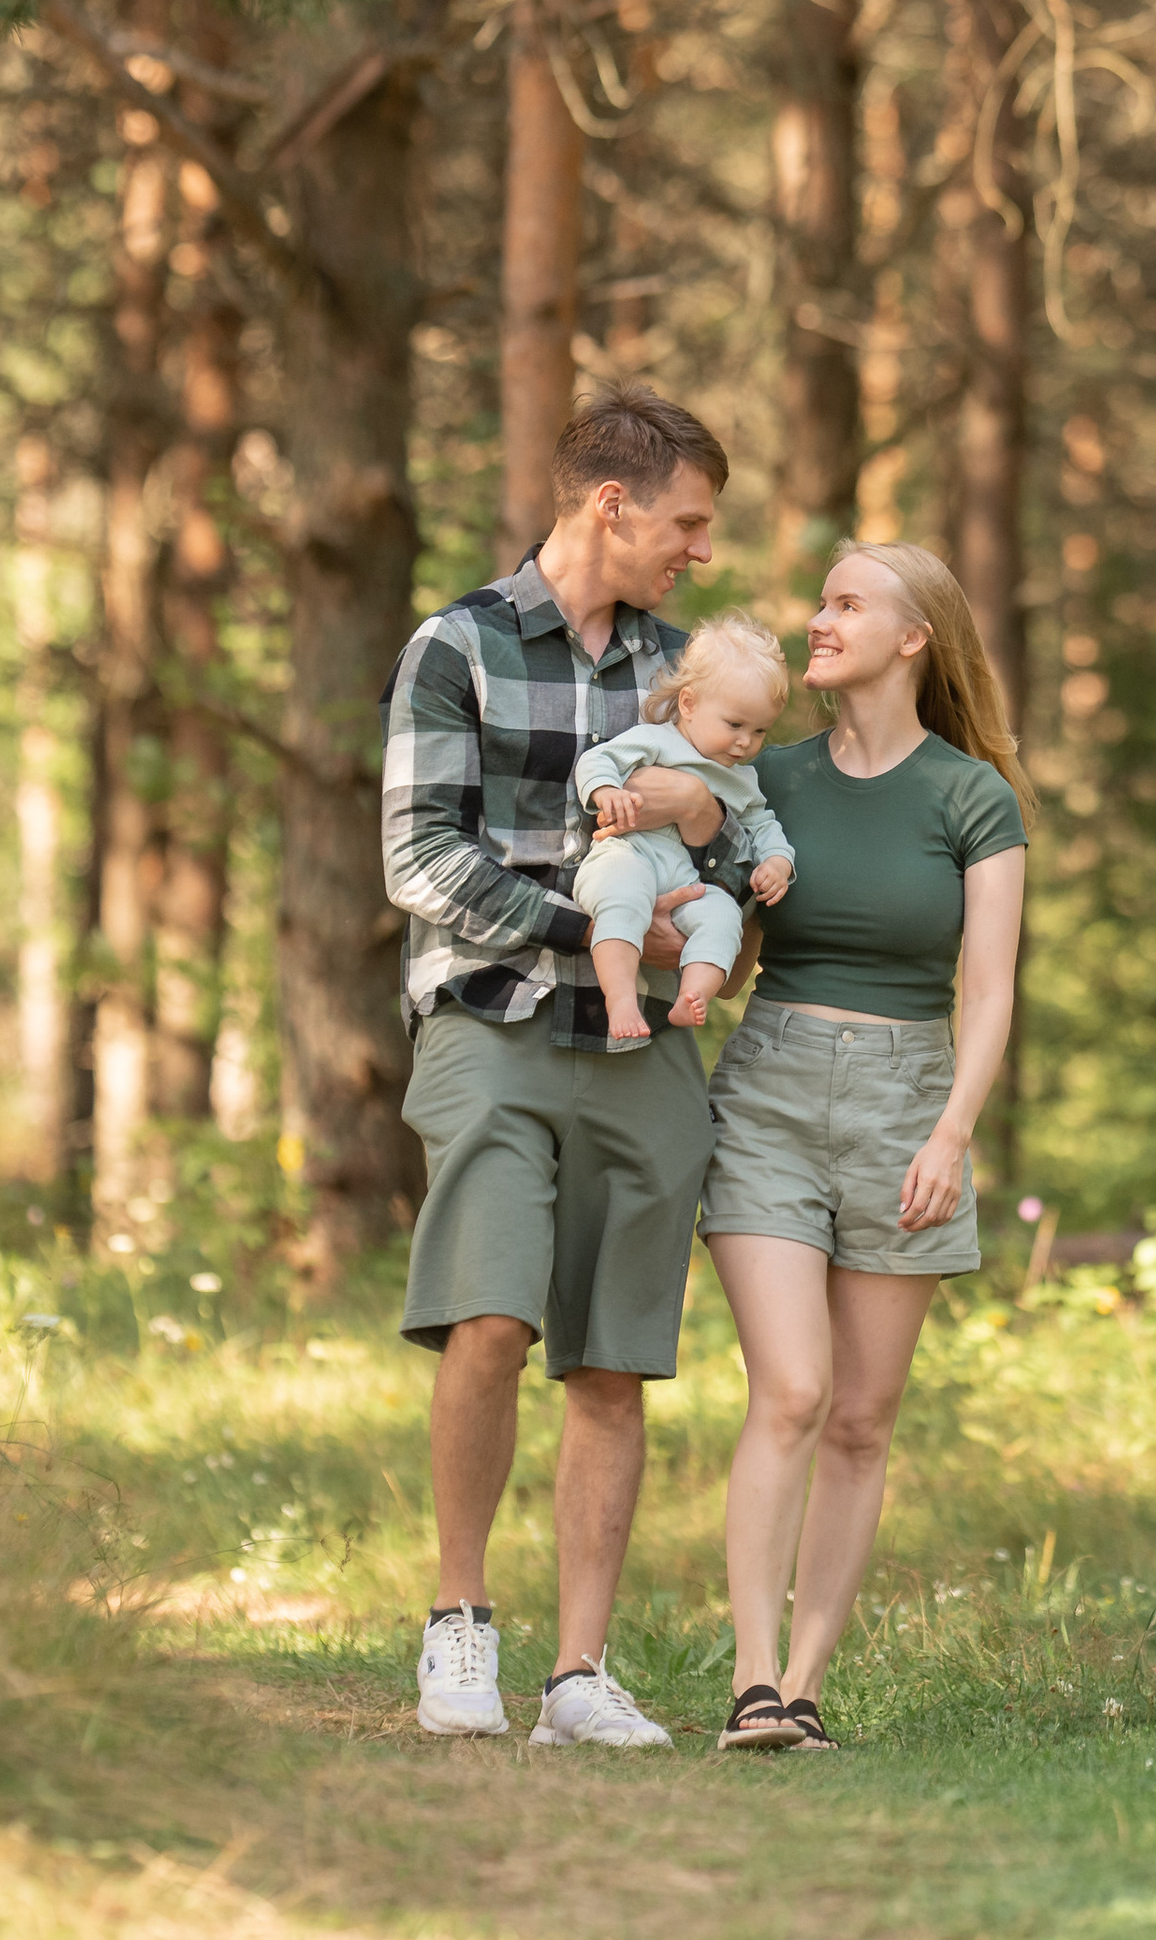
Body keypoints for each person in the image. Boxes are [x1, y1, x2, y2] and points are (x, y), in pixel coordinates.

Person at [380, 383, 734, 1752]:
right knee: (490, 1314)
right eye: (685, 524)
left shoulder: (684, 669)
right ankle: (460, 1625)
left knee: (613, 1355)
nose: (695, 551)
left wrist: (704, 879)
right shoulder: (453, 647)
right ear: (611, 502)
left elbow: (725, 833)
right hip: (490, 1016)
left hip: (643, 1037)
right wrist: (593, 928)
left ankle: (580, 1674)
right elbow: (422, 861)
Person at [697, 542, 1034, 1753]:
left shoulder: (971, 796)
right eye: (821, 598)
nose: (815, 618)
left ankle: (803, 1683)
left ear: (912, 639)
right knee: (790, 1389)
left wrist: (954, 1130)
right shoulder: (766, 772)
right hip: (772, 1088)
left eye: (845, 602)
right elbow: (716, 932)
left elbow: (987, 992)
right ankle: (746, 1678)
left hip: (908, 1106)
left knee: (860, 1417)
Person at [573, 614, 796, 1040]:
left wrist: (779, 862)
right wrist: (605, 791)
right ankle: (619, 997)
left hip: (686, 881)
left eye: (760, 730)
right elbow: (597, 760)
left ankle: (692, 996)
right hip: (628, 855)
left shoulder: (742, 780)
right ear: (689, 704)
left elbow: (763, 826)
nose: (745, 742)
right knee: (621, 896)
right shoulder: (655, 740)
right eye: (734, 725)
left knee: (723, 915)